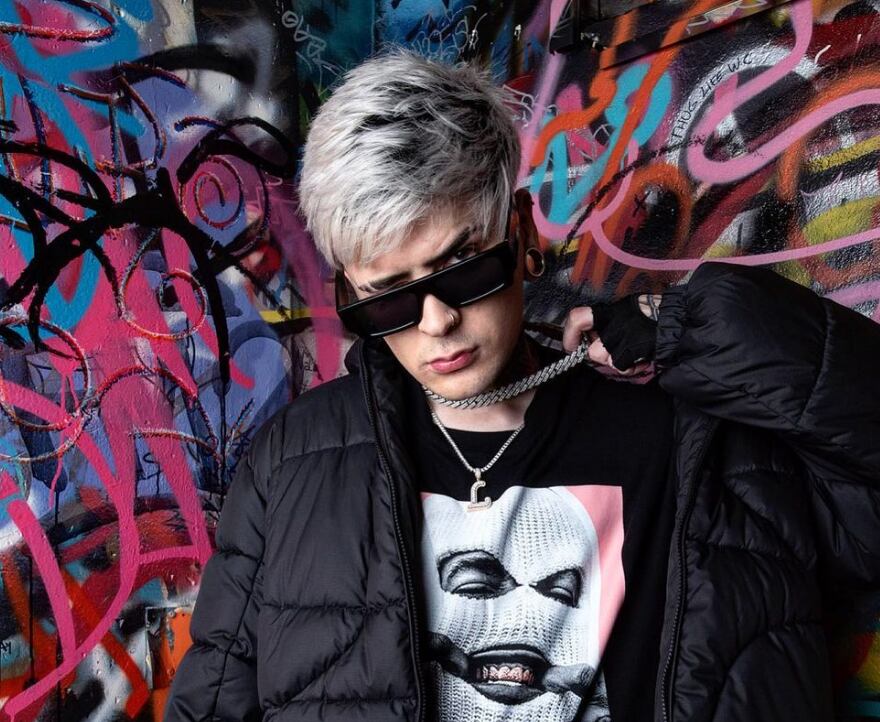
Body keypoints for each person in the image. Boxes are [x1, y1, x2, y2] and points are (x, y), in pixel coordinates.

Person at [163, 48, 880, 722]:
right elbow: (214, 700)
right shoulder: (292, 461)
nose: (437, 321)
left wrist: (694, 326)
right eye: (388, 298)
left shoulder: (682, 431)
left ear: (523, 237)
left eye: (464, 268)